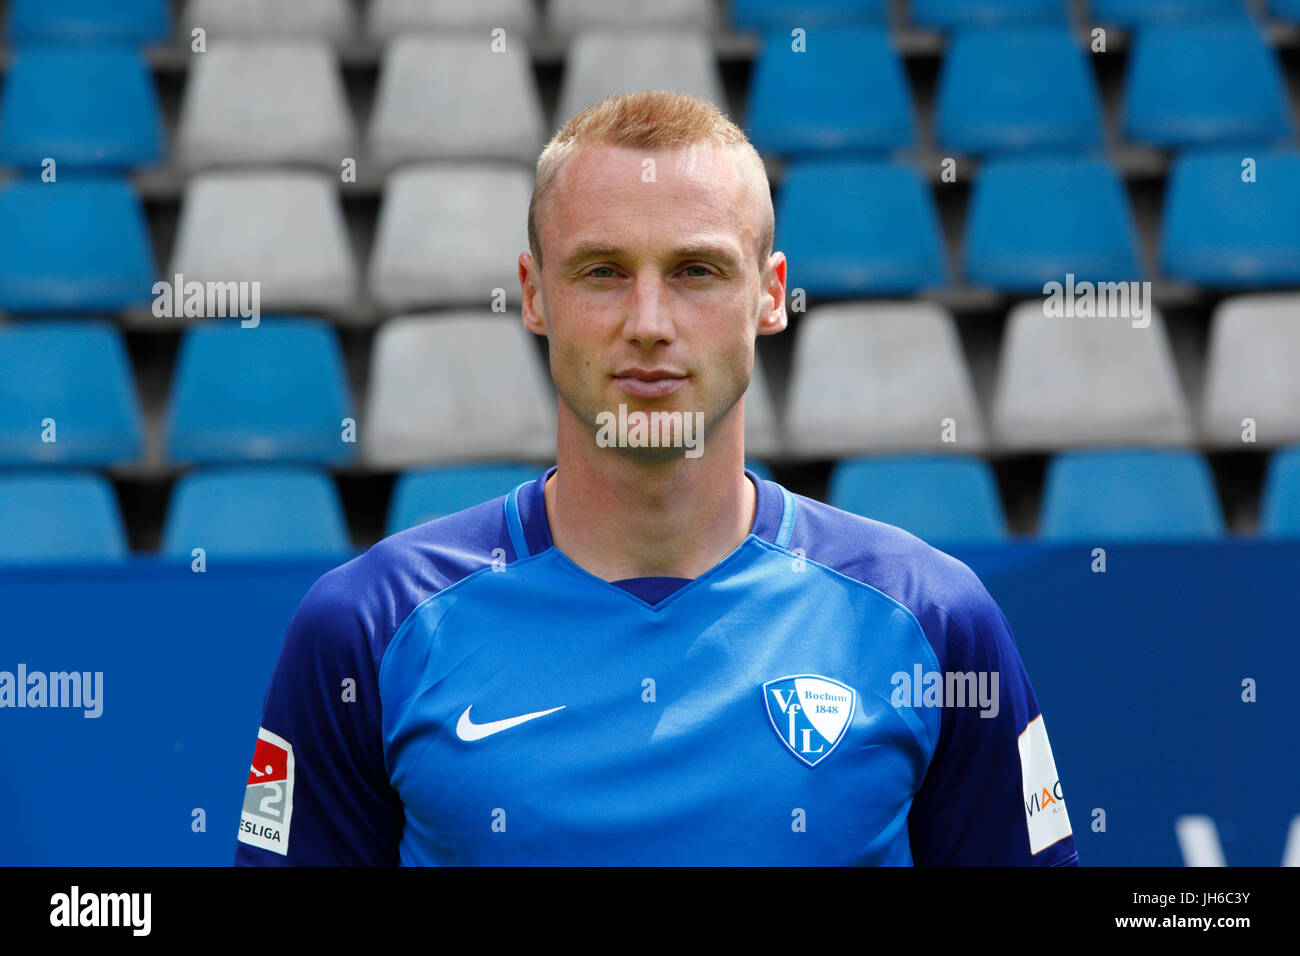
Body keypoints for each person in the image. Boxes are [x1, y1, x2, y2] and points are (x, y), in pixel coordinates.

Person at [235, 90, 1078, 866]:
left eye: (696, 271)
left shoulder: (934, 621)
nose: (648, 323)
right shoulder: (366, 627)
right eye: (602, 272)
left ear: (770, 297)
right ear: (535, 296)